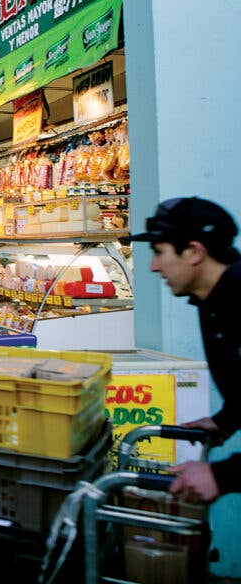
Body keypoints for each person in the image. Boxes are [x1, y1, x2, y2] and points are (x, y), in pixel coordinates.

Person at [129, 197, 240, 503]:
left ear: (194, 252)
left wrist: (222, 475)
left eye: (159, 252)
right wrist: (226, 421)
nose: (153, 266)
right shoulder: (211, 300)